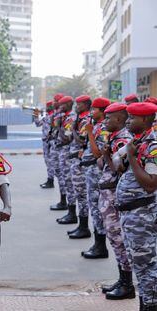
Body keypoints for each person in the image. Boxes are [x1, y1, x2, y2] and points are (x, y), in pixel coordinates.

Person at [116, 102, 157, 310]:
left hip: (142, 215)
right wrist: (125, 157)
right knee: (140, 266)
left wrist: (131, 157)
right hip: (132, 215)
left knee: (147, 266)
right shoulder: (137, 140)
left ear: (146, 120)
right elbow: (116, 162)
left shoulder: (152, 146)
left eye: (132, 118)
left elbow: (151, 183)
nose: (128, 121)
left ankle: (150, 305)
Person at [98, 103, 135, 300]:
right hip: (108, 194)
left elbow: (119, 170)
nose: (104, 121)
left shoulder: (122, 141)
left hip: (114, 195)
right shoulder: (114, 138)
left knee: (119, 239)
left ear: (119, 119)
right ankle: (122, 279)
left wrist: (105, 155)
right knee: (114, 239)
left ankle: (127, 284)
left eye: (108, 118)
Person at [80, 97, 110, 259]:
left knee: (98, 209)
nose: (92, 112)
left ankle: (101, 247)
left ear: (103, 111)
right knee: (94, 207)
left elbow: (98, 153)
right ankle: (97, 244)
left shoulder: (103, 128)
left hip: (97, 173)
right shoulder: (98, 125)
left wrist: (90, 133)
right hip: (91, 172)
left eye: (95, 109)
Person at [67, 95, 91, 239]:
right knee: (78, 192)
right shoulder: (79, 118)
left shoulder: (85, 120)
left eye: (79, 104)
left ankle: (84, 227)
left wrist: (74, 129)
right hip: (76, 159)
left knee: (82, 194)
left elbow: (81, 140)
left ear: (87, 104)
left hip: (81, 160)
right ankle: (81, 225)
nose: (77, 106)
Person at [55, 96, 78, 225]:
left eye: (62, 105)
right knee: (66, 182)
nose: (60, 107)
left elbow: (66, 138)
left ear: (69, 104)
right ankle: (70, 211)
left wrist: (58, 127)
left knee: (70, 184)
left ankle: (72, 214)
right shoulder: (65, 116)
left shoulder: (71, 118)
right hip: (65, 153)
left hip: (69, 155)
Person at [48, 94, 68, 211]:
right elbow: (53, 127)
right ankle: (62, 200)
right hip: (57, 148)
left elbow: (66, 136)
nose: (53, 103)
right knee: (59, 175)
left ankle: (64, 202)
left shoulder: (67, 117)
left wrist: (59, 124)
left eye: (56, 101)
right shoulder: (57, 114)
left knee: (64, 177)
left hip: (64, 151)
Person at [33, 101, 55, 188]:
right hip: (46, 141)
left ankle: (51, 181)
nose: (47, 108)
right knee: (47, 161)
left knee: (50, 161)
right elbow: (38, 124)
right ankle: (50, 179)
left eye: (49, 106)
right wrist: (36, 115)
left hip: (51, 141)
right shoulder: (46, 116)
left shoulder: (53, 116)